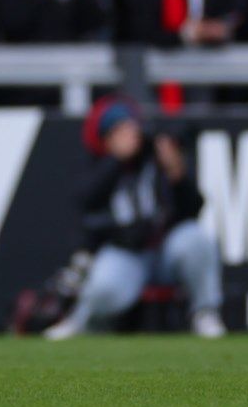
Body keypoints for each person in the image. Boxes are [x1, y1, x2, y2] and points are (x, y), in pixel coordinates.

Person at [43, 99, 225, 340]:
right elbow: (85, 203)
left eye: (130, 128)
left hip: (166, 249)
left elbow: (194, 208)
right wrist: (116, 160)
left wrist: (176, 173)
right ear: (106, 138)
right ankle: (85, 322)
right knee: (104, 287)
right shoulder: (97, 165)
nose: (129, 136)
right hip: (126, 253)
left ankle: (205, 312)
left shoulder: (154, 157)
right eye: (119, 131)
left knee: (196, 240)